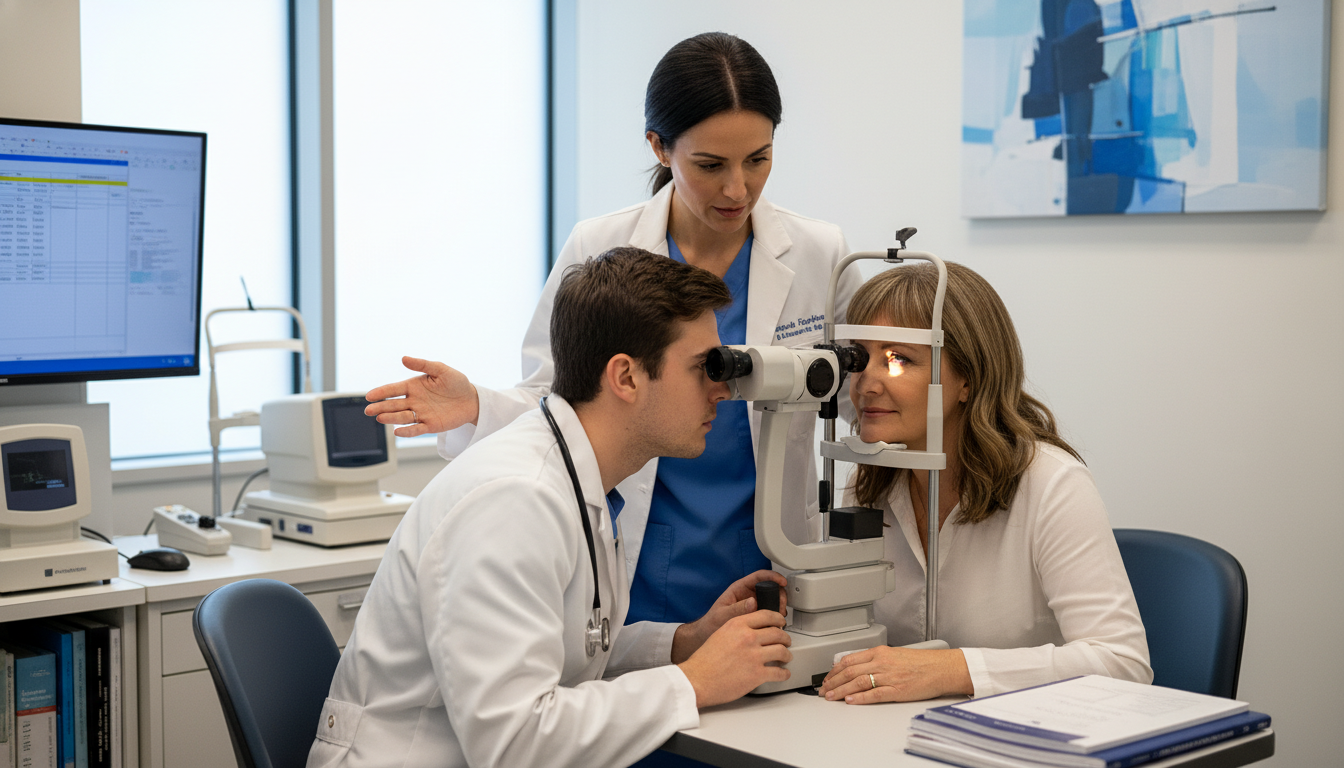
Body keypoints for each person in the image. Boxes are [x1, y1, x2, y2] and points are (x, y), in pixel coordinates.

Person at [364, 32, 862, 631]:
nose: (738, 189)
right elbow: (560, 401)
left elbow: (858, 400)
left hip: (771, 552)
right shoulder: (601, 248)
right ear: (659, 147)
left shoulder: (819, 253)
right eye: (710, 165)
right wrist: (476, 406)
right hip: (642, 554)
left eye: (758, 159)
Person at [306, 248, 793, 768]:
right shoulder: (515, 501)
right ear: (625, 377)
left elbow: (564, 650)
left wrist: (683, 643)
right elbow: (515, 744)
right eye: (703, 367)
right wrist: (692, 682)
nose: (722, 389)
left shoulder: (576, 474)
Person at [818, 261, 1152, 704]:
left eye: (899, 359)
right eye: (859, 358)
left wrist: (954, 668)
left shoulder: (1051, 484)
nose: (865, 384)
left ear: (967, 379)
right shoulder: (870, 478)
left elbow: (1123, 664)